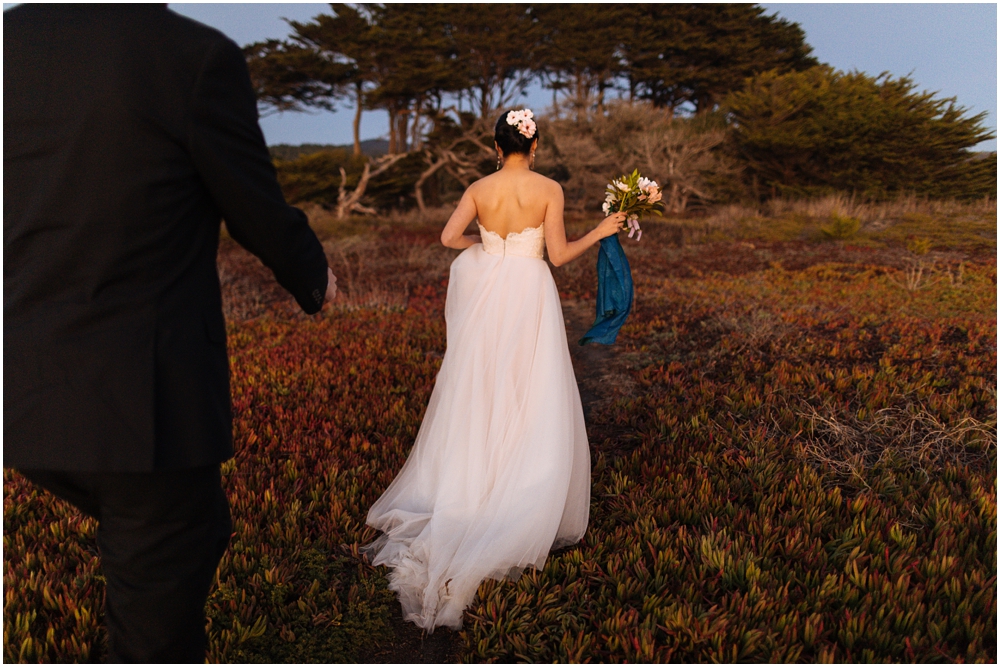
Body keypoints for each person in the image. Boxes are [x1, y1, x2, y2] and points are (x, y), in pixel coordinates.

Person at [4, 5, 335, 662]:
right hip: (140, 401)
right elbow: (251, 201)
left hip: (20, 383)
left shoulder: (10, 37)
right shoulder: (191, 55)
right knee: (157, 614)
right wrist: (314, 275)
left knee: (194, 531)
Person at [364, 108, 626, 631]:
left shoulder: (479, 187)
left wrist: (487, 249)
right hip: (529, 294)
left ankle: (471, 483)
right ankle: (516, 486)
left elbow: (446, 239)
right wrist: (599, 232)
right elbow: (557, 255)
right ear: (535, 145)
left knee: (479, 389)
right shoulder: (549, 187)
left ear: (495, 147)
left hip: (489, 298)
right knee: (529, 388)